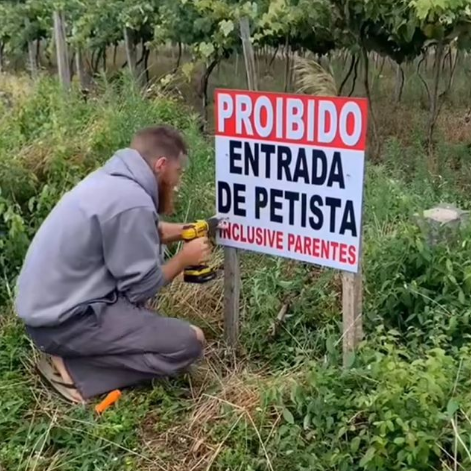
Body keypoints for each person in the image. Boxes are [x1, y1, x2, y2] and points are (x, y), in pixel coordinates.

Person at [15, 125, 214, 404]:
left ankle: (74, 350)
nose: (178, 183)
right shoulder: (131, 202)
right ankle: (73, 370)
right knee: (189, 342)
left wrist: (184, 231)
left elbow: (145, 229)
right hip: (65, 322)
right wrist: (184, 259)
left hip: (48, 310)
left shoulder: (112, 181)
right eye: (178, 173)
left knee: (151, 323)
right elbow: (142, 289)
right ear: (161, 165)